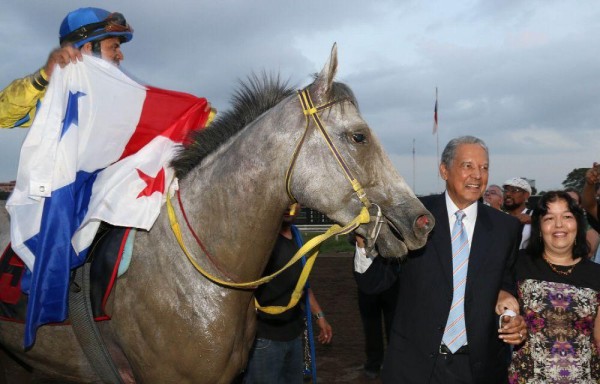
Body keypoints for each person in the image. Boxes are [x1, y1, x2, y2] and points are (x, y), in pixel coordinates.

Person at [354, 135, 527, 383]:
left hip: (478, 368)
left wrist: (508, 313)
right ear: (444, 170)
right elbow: (375, 282)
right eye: (468, 166)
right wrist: (364, 244)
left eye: (484, 167)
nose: (478, 175)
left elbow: (506, 285)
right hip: (414, 367)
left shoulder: (505, 228)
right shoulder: (412, 217)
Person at [508, 191, 600, 383]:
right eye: (549, 218)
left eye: (567, 217)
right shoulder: (518, 264)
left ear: (577, 224)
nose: (559, 224)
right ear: (539, 227)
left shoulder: (595, 274)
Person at [0, 7, 133, 128]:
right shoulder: (54, 97)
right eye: (114, 47)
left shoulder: (125, 99)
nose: (120, 56)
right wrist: (44, 75)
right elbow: (3, 116)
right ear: (89, 48)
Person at [244, 206, 333, 384]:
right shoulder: (262, 240)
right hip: (265, 339)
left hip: (294, 335)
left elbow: (302, 285)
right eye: (283, 202)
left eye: (292, 203)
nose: (287, 208)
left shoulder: (297, 237)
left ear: (299, 206)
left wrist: (319, 316)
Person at [352, 234, 399, 380]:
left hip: (391, 279)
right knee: (371, 327)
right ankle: (373, 363)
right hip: (367, 282)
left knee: (393, 326)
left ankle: (393, 363)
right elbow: (350, 237)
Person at [565, 187, 599, 258]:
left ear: (580, 205)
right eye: (565, 200)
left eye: (573, 201)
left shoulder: (588, 224)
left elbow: (589, 252)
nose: (569, 204)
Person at [503, 177, 533, 249]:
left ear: (526, 195)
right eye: (506, 190)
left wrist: (534, 221)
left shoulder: (534, 215)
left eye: (514, 190)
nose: (507, 194)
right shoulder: (501, 218)